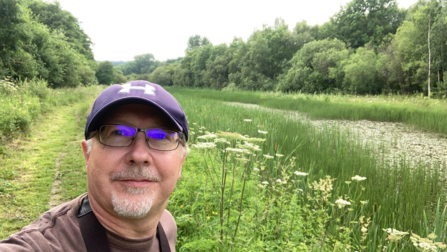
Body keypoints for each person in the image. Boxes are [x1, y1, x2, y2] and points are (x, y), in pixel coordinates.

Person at [0, 80, 189, 251]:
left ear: (180, 162)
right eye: (118, 134)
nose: (139, 155)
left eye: (160, 136)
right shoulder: (42, 245)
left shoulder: (166, 225)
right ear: (88, 155)